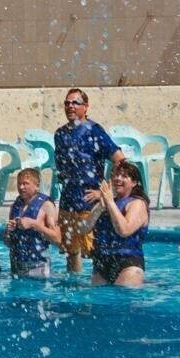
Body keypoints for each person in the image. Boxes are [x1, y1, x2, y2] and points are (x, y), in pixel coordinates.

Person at [54, 88, 126, 274]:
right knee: (71, 252)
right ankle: (75, 286)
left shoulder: (94, 131)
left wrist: (105, 191)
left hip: (89, 201)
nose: (70, 106)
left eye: (75, 103)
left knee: (94, 251)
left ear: (85, 107)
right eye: (67, 103)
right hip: (68, 200)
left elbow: (120, 159)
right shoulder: (60, 134)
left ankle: (98, 285)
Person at [84, 161, 149, 286]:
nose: (118, 178)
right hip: (102, 263)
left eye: (124, 176)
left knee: (120, 297)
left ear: (134, 183)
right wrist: (100, 207)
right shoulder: (105, 202)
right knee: (98, 298)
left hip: (128, 263)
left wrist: (110, 203)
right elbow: (85, 229)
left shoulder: (137, 204)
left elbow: (124, 230)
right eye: (116, 175)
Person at [4, 168, 61, 279]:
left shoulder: (46, 205)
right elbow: (7, 242)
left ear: (37, 186)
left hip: (38, 265)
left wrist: (35, 225)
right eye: (19, 184)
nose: (21, 187)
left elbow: (57, 239)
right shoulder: (16, 205)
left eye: (25, 184)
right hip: (16, 265)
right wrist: (8, 231)